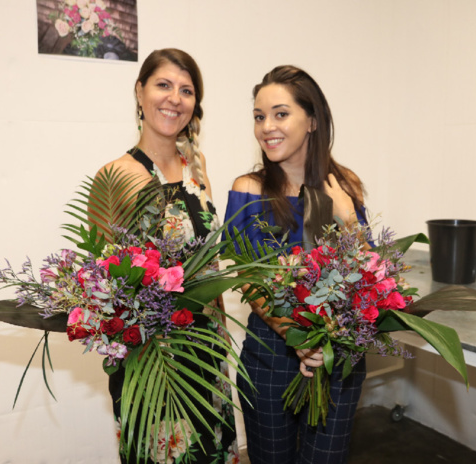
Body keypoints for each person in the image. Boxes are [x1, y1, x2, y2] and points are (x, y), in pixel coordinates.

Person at [95, 48, 238, 464]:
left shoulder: (196, 164)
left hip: (206, 343)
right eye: (163, 85)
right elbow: (105, 282)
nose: (175, 98)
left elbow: (208, 260)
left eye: (187, 90)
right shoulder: (117, 174)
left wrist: (220, 336)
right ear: (140, 92)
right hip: (155, 355)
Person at [223, 65, 371, 464]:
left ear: (313, 121)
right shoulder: (247, 189)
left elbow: (369, 277)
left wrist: (349, 219)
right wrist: (302, 342)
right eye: (259, 116)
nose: (266, 126)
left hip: (338, 362)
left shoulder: (345, 186)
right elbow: (250, 280)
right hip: (268, 361)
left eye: (280, 113)